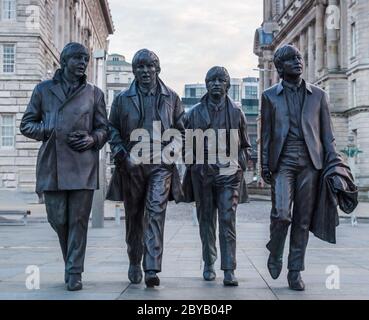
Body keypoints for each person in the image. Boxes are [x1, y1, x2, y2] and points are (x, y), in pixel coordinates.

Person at [20, 42, 108, 291]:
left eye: (86, 59)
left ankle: (74, 272)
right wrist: (48, 128)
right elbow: (26, 125)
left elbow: (105, 129)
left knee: (78, 221)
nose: (82, 63)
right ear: (64, 61)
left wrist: (93, 139)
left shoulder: (94, 93)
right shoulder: (43, 90)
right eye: (78, 59)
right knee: (58, 220)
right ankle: (71, 263)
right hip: (53, 166)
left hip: (83, 166)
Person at [260, 44, 337, 291]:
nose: (298, 62)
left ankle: (295, 271)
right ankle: (275, 250)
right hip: (283, 161)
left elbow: (327, 136)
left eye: (299, 58)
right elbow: (267, 134)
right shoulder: (270, 96)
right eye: (291, 59)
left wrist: (333, 165)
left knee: (302, 220)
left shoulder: (319, 95)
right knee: (282, 214)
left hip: (310, 163)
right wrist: (264, 164)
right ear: (280, 67)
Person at [107, 49, 185, 288]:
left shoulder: (171, 97)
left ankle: (151, 266)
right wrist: (122, 155)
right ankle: (134, 259)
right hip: (132, 165)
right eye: (139, 67)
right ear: (134, 71)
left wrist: (168, 153)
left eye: (149, 66)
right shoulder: (121, 99)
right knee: (134, 216)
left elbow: (181, 132)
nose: (144, 71)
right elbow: (112, 130)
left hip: (161, 166)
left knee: (155, 212)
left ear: (157, 69)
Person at [183, 66, 251, 286]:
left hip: (229, 175)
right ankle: (209, 262)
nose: (215, 84)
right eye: (211, 80)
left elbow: (245, 145)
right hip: (203, 173)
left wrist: (239, 165)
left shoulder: (236, 112)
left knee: (227, 219)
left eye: (220, 80)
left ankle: (229, 268)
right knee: (206, 221)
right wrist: (194, 164)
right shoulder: (193, 113)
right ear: (206, 84)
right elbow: (185, 144)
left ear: (227, 85)